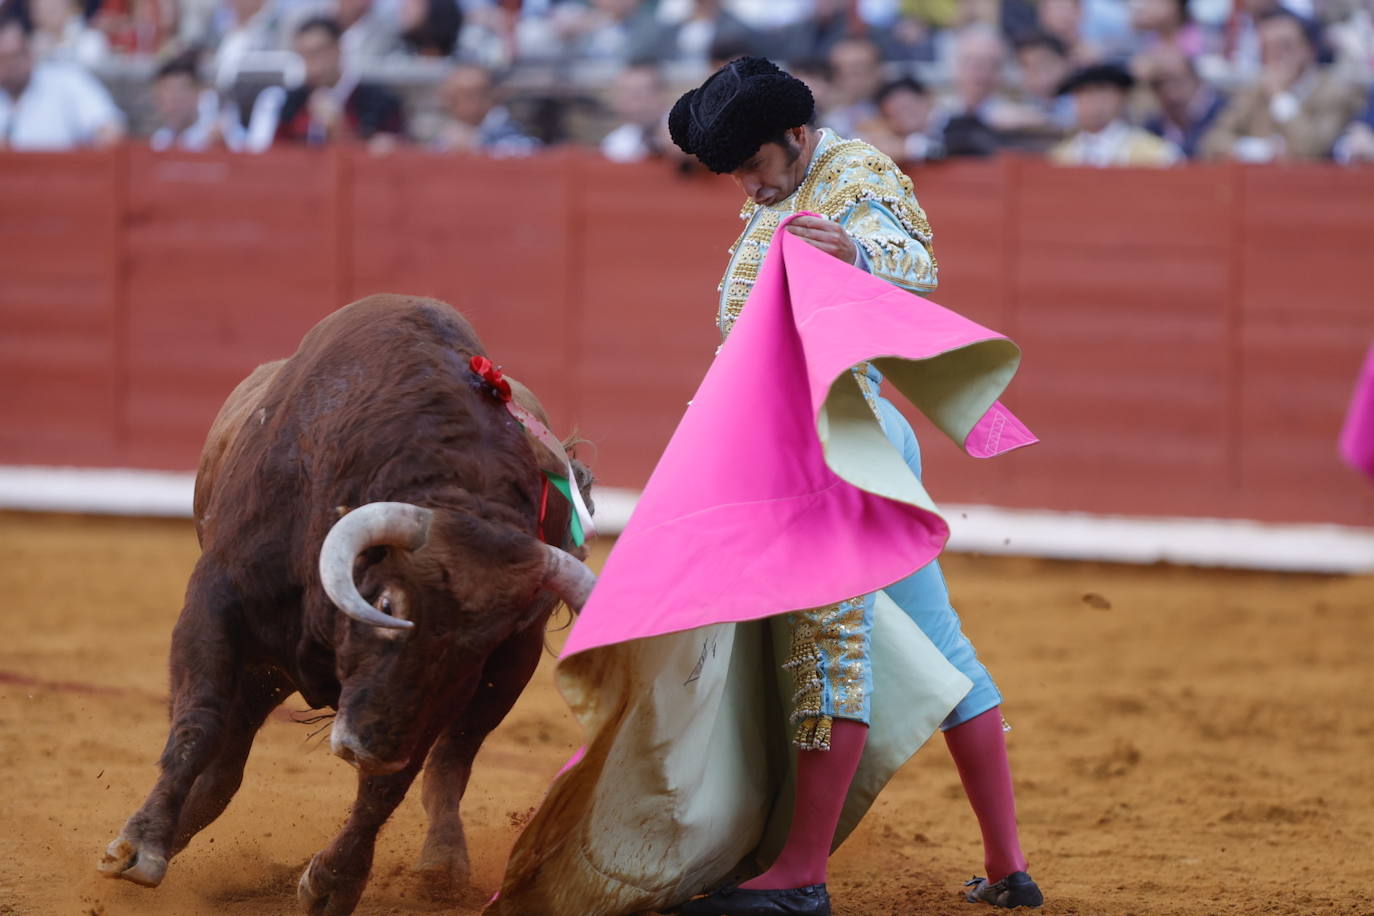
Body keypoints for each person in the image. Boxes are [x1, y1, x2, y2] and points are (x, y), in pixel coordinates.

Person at [663, 56, 1043, 915]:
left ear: (797, 135)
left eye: (757, 165)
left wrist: (859, 250)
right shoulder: (782, 190)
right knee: (942, 648)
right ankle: (1008, 869)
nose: (751, 187)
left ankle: (801, 876)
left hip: (837, 444)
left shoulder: (855, 171)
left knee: (827, 641)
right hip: (822, 439)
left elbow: (914, 260)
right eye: (736, 175)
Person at [1199, 8, 1365, 161]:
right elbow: (1211, 142)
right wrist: (1256, 149)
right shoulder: (1254, 90)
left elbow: (1313, 150)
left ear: (1309, 50)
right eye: (1267, 49)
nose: (1275, 55)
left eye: (1285, 47)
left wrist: (1280, 96)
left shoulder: (1334, 93)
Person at [252, 16, 404, 149]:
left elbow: (390, 156)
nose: (313, 65)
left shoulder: (378, 101)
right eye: (304, 56)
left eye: (319, 53)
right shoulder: (287, 102)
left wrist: (341, 129)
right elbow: (274, 154)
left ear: (338, 49)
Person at [0, 11, 124, 149]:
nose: (10, 66)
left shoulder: (67, 81)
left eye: (15, 56)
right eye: (2, 59)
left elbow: (109, 128)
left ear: (29, 53)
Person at [1049, 61, 1181, 165]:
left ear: (1122, 98)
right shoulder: (1060, 157)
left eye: (1102, 93)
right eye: (1085, 94)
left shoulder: (1157, 153)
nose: (1094, 102)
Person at [428, 60, 538, 154]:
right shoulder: (445, 139)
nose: (449, 102)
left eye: (468, 95)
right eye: (452, 96)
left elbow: (529, 152)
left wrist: (475, 145)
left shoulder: (507, 133)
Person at [1138, 43, 1227, 158]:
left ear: (1195, 78)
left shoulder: (1224, 113)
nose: (1169, 91)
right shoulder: (1151, 129)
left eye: (1176, 81)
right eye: (1159, 84)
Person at [148, 50, 243, 150]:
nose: (171, 107)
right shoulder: (160, 140)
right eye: (164, 100)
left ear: (198, 93)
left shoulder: (222, 134)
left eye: (177, 99)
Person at [855, 75, 943, 162]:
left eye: (907, 107)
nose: (905, 117)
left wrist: (911, 148)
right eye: (895, 114)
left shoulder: (948, 125)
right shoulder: (893, 139)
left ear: (927, 98)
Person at [599, 60, 665, 162]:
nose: (634, 106)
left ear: (661, 94)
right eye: (625, 95)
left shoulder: (687, 128)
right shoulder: (615, 144)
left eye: (639, 94)